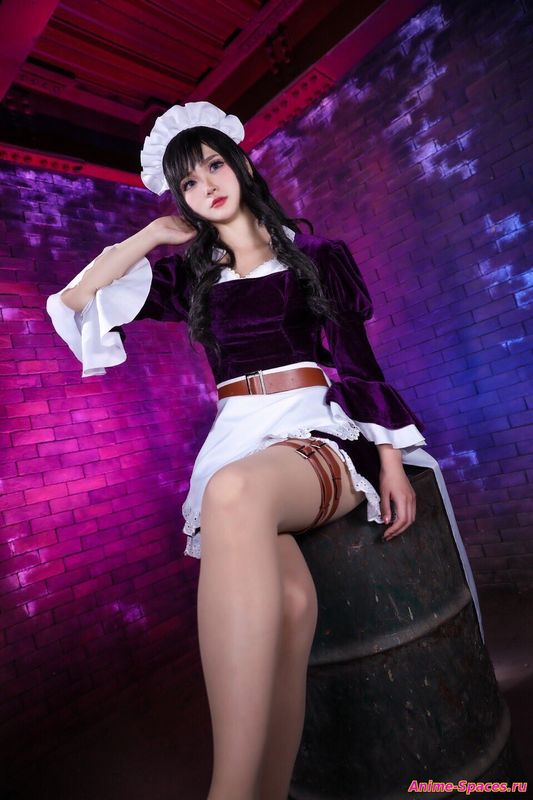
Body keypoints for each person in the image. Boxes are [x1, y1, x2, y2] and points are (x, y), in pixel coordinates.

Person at [46, 101, 483, 800]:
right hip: (236, 437)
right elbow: (73, 301)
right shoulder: (192, 278)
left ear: (243, 166)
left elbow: (359, 364)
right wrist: (150, 235)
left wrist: (390, 459)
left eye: (214, 166)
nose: (206, 187)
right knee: (289, 607)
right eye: (187, 183)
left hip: (315, 426)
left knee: (233, 493)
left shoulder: (316, 258)